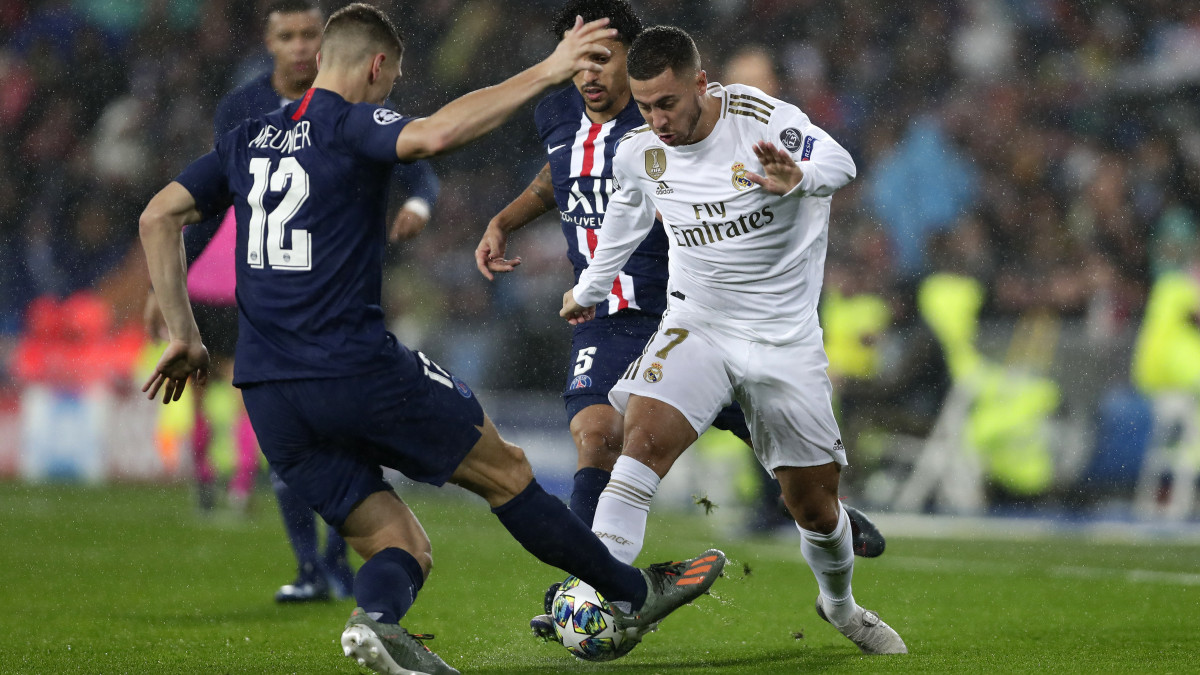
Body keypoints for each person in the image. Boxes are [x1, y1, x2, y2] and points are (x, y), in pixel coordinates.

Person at [139, 6, 725, 674]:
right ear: (377, 66)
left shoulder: (248, 135)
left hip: (270, 392)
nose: (387, 96)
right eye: (390, 84)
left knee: (400, 541)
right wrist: (548, 70)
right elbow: (438, 133)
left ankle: (376, 620)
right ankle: (632, 591)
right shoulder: (350, 121)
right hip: (355, 367)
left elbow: (158, 215)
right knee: (505, 472)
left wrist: (185, 334)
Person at [475, 0, 885, 638]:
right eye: (644, 106)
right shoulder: (641, 149)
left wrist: (796, 176)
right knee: (631, 442)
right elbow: (624, 217)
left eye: (666, 103)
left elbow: (842, 163)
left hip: (782, 339)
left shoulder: (759, 117)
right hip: (696, 324)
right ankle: (598, 596)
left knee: (812, 505)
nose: (655, 119)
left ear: (700, 83)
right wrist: (588, 287)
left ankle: (840, 605)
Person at [145, 0, 441, 604]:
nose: (302, 46)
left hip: (342, 287)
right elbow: (209, 200)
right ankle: (312, 567)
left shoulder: (354, 97)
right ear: (270, 41)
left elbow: (417, 162)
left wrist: (419, 205)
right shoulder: (243, 108)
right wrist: (167, 278)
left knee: (340, 443)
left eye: (311, 33)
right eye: (289, 35)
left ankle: (335, 563)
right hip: (266, 295)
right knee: (290, 438)